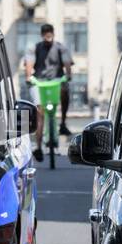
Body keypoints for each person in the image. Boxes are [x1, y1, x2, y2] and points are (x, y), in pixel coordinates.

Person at [23, 23, 72, 161]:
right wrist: (28, 76)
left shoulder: (61, 48)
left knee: (65, 89)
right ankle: (38, 147)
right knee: (39, 112)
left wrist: (68, 74)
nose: (47, 35)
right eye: (45, 33)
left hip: (56, 82)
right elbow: (29, 64)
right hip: (39, 83)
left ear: (53, 33)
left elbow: (67, 63)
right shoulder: (35, 48)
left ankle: (62, 123)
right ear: (41, 34)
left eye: (49, 32)